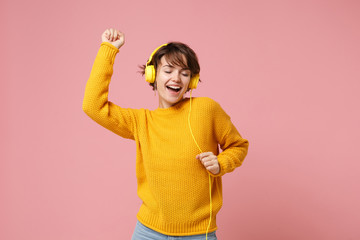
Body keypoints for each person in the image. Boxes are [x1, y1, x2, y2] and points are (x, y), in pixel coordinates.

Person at [82, 28, 249, 240]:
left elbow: (239, 145)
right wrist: (109, 50)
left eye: (185, 73)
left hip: (198, 234)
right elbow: (92, 106)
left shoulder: (207, 109)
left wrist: (221, 163)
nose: (176, 78)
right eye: (168, 70)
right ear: (152, 75)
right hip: (148, 232)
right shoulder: (141, 121)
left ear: (192, 81)